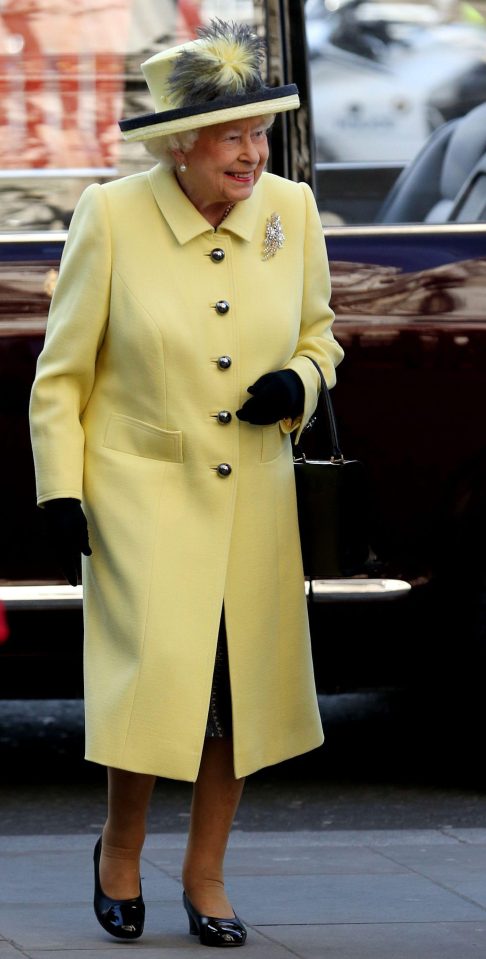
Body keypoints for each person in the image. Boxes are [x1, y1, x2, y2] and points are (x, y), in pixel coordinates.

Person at [29, 18, 344, 948]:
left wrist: (303, 380)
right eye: (232, 137)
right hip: (139, 494)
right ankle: (120, 847)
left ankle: (206, 876)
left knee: (234, 697)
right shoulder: (113, 214)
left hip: (251, 493)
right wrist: (60, 487)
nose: (252, 154)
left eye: (259, 134)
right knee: (156, 683)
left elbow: (320, 333)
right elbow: (63, 371)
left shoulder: (293, 210)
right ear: (181, 146)